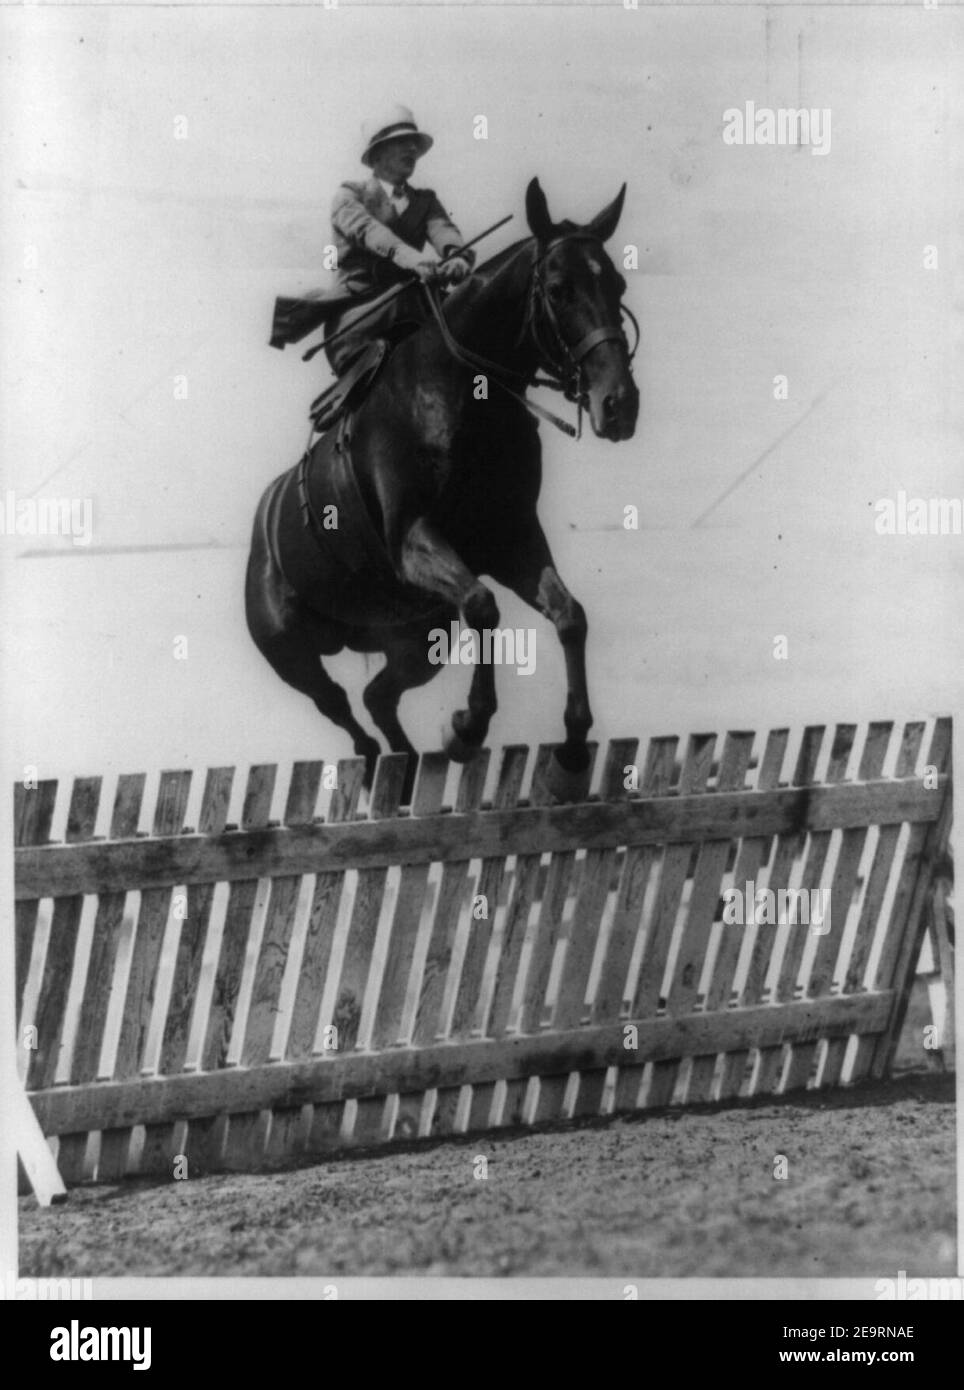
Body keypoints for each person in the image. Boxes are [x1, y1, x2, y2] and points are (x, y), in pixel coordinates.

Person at [270, 105, 474, 376]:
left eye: (414, 143)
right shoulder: (349, 196)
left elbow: (443, 229)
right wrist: (412, 258)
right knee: (418, 306)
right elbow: (370, 232)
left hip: (413, 302)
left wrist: (457, 256)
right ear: (377, 154)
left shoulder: (425, 200)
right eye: (402, 142)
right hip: (357, 315)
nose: (412, 149)